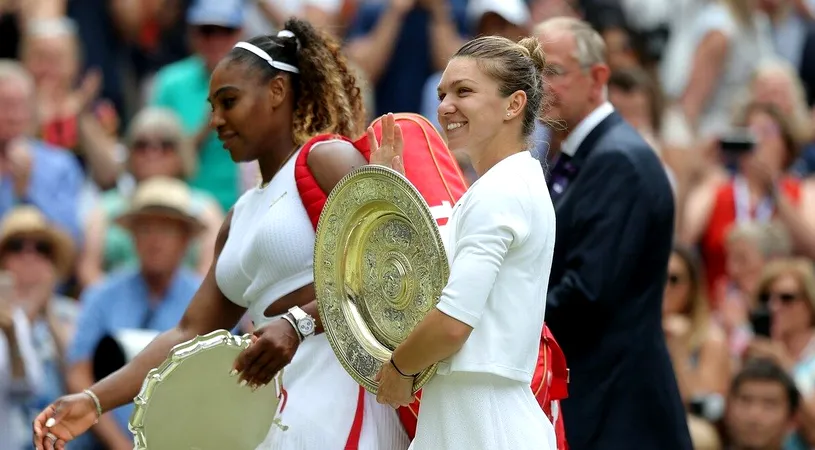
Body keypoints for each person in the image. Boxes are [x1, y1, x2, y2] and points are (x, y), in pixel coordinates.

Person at [32, 18, 410, 450]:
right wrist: (94, 399)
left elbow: (392, 265)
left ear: (276, 93)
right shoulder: (237, 216)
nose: (215, 120)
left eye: (228, 101)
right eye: (212, 106)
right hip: (276, 414)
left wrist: (298, 323)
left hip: (346, 396)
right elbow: (186, 334)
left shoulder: (326, 159)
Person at [374, 35, 557, 450]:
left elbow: (453, 323)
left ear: (514, 104)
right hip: (472, 416)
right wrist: (392, 195)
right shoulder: (503, 185)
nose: (444, 106)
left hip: (483, 424)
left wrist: (399, 372)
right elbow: (432, 279)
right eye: (441, 94)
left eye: (464, 91)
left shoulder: (500, 191)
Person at [534, 17, 692, 450]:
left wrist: (500, 315)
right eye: (532, 72)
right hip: (597, 398)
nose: (539, 85)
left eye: (554, 71)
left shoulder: (617, 160)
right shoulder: (583, 154)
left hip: (618, 410)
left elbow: (587, 293)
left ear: (598, 77)